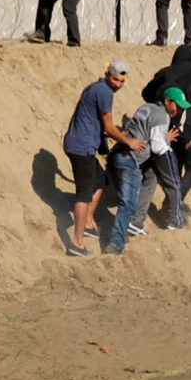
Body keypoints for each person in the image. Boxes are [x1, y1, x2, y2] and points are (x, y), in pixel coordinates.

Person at [61, 60, 142, 255]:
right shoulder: (105, 92)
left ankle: (87, 222)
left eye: (122, 81)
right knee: (84, 193)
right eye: (115, 80)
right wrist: (129, 141)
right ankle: (77, 244)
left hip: (80, 144)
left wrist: (118, 133)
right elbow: (108, 127)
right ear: (107, 75)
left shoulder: (95, 88)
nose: (118, 84)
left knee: (100, 181)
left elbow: (99, 125)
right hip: (82, 148)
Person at [106, 86, 187, 254]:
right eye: (177, 106)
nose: (178, 111)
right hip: (130, 159)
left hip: (118, 154)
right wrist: (167, 143)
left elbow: (140, 132)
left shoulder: (147, 108)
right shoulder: (161, 116)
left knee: (151, 177)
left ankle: (134, 223)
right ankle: (117, 243)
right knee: (127, 204)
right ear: (167, 101)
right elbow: (158, 147)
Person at [140, 45, 191, 229]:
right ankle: (173, 203)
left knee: (175, 166)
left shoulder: (166, 72)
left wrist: (160, 106)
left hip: (167, 124)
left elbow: (146, 93)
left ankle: (172, 203)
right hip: (190, 127)